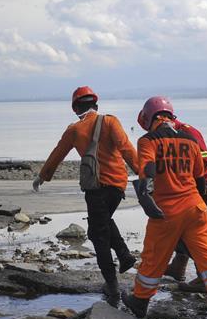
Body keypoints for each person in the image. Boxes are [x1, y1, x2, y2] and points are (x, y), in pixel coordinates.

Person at [121, 96, 207, 319]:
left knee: (153, 255)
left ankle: (140, 301)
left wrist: (146, 194)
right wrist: (204, 203)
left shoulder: (148, 141)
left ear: (148, 118)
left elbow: (146, 168)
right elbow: (200, 176)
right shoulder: (190, 140)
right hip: (196, 208)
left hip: (166, 210)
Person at [32, 86, 137, 306]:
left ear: (75, 108)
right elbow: (127, 149)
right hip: (118, 187)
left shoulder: (74, 130)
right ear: (96, 106)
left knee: (98, 235)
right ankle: (124, 255)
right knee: (103, 222)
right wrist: (144, 172)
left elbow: (57, 154)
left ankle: (112, 285)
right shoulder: (111, 122)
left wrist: (43, 176)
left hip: (95, 188)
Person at [162, 116, 207, 281]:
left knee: (198, 231)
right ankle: (179, 267)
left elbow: (204, 159)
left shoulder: (187, 132)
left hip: (202, 184)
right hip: (188, 185)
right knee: (183, 227)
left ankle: (203, 276)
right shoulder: (171, 134)